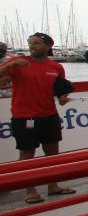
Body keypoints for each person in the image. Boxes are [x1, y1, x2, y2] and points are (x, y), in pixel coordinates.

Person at [0, 33, 75, 203]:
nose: (32, 46)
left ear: (48, 46)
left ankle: (53, 186)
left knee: (52, 153)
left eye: (36, 43)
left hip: (49, 115)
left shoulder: (56, 67)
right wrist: (11, 63)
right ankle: (30, 190)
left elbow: (59, 90)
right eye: (30, 43)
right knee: (27, 154)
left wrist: (63, 97)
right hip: (24, 116)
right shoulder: (19, 63)